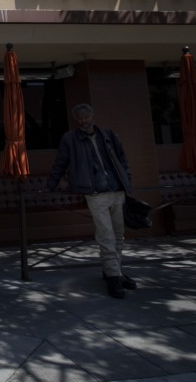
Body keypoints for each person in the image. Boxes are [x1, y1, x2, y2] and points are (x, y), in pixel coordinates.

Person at [43, 103, 137, 299]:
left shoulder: (108, 135)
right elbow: (61, 162)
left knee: (119, 234)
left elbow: (123, 159)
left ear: (92, 116)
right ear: (76, 120)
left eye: (86, 117)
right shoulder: (70, 139)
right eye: (80, 118)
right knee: (106, 234)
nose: (83, 121)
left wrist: (126, 181)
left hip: (117, 190)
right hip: (95, 193)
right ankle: (113, 276)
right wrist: (50, 185)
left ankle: (114, 270)